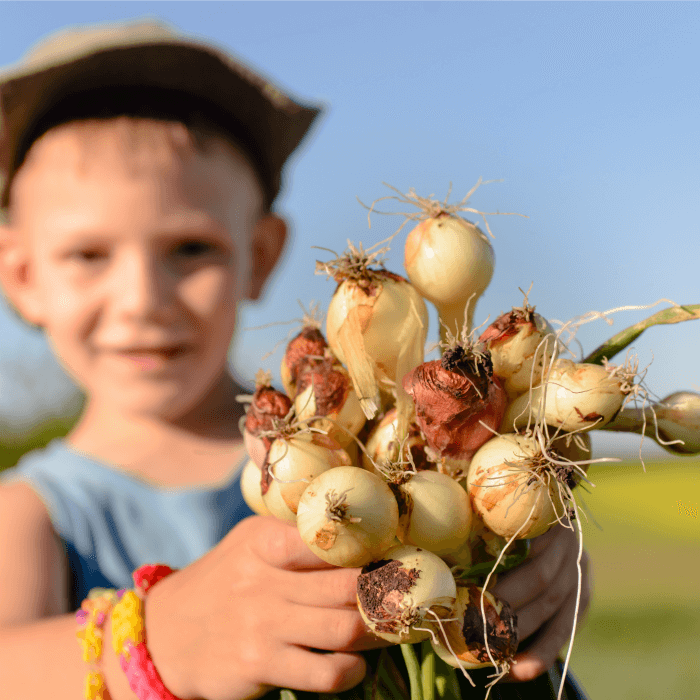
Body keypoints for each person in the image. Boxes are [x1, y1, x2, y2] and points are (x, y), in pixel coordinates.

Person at [0, 19, 590, 700]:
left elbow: (477, 521)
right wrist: (156, 639)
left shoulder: (369, 439)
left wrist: (536, 557)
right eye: (87, 255)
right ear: (20, 276)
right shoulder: (30, 514)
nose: (142, 300)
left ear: (262, 255)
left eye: (190, 249)